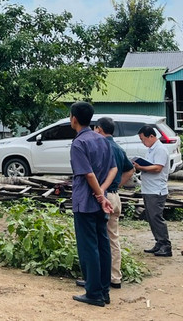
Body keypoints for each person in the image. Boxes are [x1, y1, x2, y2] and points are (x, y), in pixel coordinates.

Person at [69, 102, 116, 307]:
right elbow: (114, 168)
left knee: (89, 247)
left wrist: (98, 194)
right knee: (102, 244)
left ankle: (94, 292)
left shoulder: (79, 144)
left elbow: (88, 174)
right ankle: (104, 290)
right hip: (100, 203)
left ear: (74, 119)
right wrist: (103, 194)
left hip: (86, 202)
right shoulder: (102, 140)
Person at [94, 117, 134, 288]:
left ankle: (99, 278)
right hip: (115, 196)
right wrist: (117, 184)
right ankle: (114, 276)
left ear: (99, 129)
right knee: (113, 238)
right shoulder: (118, 148)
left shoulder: (101, 146)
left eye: (95, 129)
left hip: (103, 196)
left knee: (98, 238)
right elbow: (130, 169)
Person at [132, 125, 171, 256]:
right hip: (148, 188)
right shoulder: (150, 149)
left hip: (156, 189)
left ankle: (165, 244)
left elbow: (158, 168)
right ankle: (159, 242)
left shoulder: (160, 149)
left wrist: (141, 167)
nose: (143, 142)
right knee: (151, 217)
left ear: (151, 136)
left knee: (156, 217)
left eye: (143, 139)